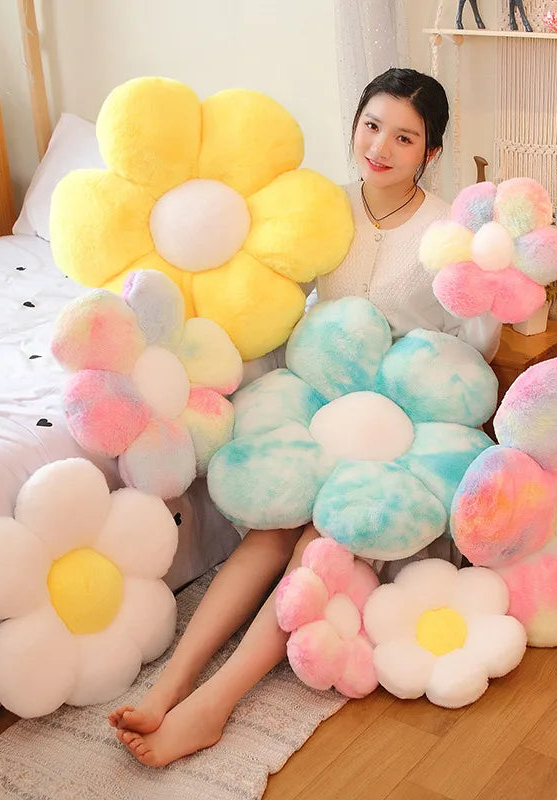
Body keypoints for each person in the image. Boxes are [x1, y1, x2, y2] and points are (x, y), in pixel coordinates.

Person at [110, 67, 501, 767]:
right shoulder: (321, 208)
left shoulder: (446, 229)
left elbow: (477, 346)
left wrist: (482, 292)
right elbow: (278, 296)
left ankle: (213, 703)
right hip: (323, 395)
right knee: (268, 531)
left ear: (431, 152)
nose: (380, 146)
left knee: (315, 540)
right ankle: (172, 681)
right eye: (371, 125)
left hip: (401, 420)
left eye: (404, 138)